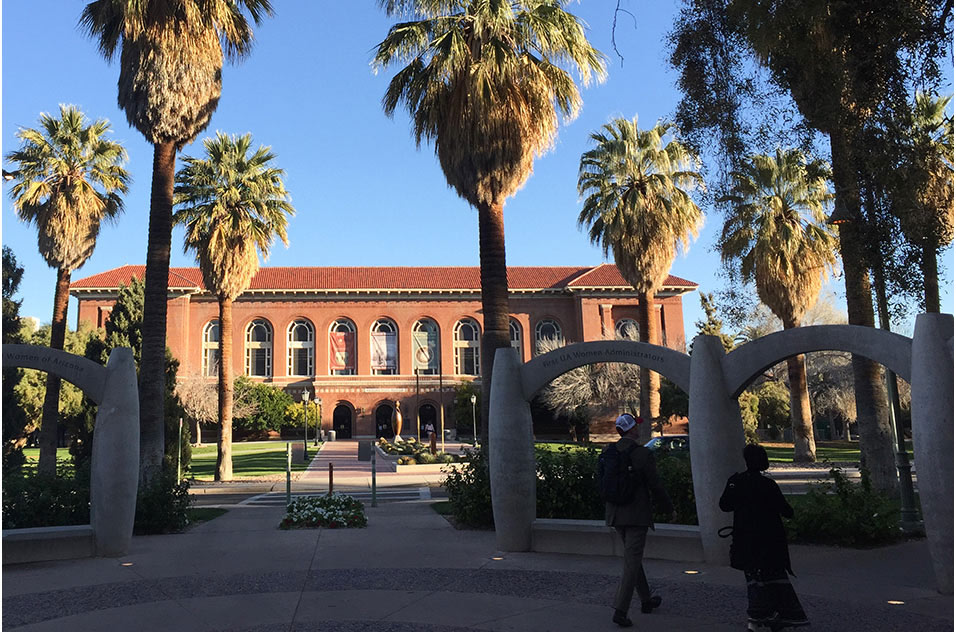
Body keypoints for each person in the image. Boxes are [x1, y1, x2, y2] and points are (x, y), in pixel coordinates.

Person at [719, 444, 809, 631]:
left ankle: (758, 616)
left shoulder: (736, 482)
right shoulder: (768, 485)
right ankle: (784, 614)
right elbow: (787, 511)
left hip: (745, 539)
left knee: (754, 578)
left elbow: (724, 505)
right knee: (775, 578)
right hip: (770, 539)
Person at [600, 413, 676, 628]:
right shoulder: (642, 454)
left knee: (633, 558)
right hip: (636, 514)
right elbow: (656, 485)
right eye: (636, 426)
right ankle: (620, 610)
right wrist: (668, 508)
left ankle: (646, 600)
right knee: (631, 561)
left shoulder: (609, 452)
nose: (638, 429)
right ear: (631, 430)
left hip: (615, 513)